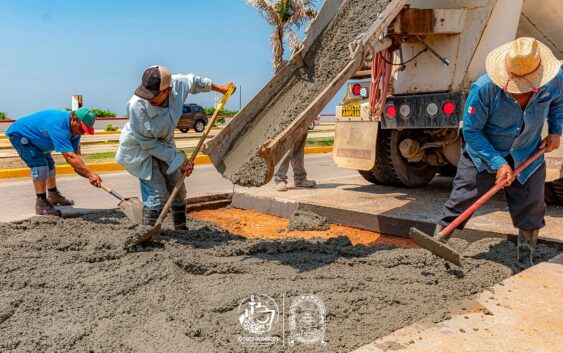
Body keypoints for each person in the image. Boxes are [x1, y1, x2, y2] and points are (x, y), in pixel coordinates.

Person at [437, 37, 562, 268]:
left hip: (527, 152)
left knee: (532, 204)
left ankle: (525, 259)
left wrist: (556, 130)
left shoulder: (554, 80)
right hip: (484, 153)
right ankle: (438, 244)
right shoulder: (484, 89)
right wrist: (498, 163)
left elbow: (558, 102)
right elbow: (472, 133)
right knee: (461, 200)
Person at [116, 65, 232, 230]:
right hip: (141, 148)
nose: (149, 98)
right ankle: (149, 234)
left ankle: (181, 229)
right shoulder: (136, 107)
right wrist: (179, 159)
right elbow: (149, 144)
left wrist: (220, 89)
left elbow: (194, 81)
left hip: (164, 143)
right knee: (157, 194)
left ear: (167, 90)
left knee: (178, 187)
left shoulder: (177, 84)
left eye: (154, 95)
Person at [6, 108, 102, 216]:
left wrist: (86, 173)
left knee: (50, 164)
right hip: (20, 135)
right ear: (74, 119)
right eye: (82, 128)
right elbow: (69, 156)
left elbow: (74, 156)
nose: (83, 132)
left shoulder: (75, 131)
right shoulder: (59, 125)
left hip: (38, 139)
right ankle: (41, 204)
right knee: (39, 164)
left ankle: (53, 195)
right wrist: (90, 174)